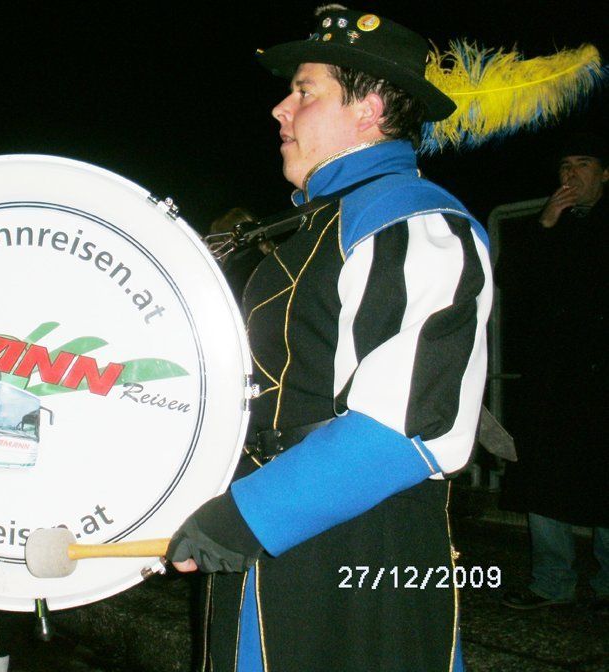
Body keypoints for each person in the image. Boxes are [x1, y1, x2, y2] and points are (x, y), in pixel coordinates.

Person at [167, 6, 492, 671]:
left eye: (305, 91)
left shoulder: (411, 224)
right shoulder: (321, 224)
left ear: (369, 110)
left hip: (360, 547)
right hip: (281, 523)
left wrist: (249, 515)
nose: (281, 109)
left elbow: (407, 427)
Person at [500, 132, 608, 612]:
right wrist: (545, 223)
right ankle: (551, 580)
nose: (571, 174)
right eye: (565, 165)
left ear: (604, 173)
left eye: (583, 163)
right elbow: (509, 280)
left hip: (601, 374)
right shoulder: (545, 225)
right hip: (551, 375)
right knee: (543, 475)